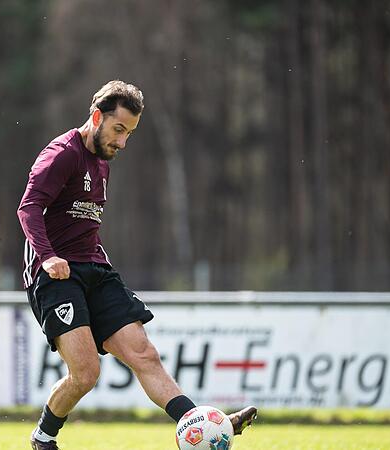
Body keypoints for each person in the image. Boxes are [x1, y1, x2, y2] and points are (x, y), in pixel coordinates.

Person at [17, 80, 257, 450]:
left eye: (129, 133)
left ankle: (206, 426)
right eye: (118, 130)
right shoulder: (62, 154)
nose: (123, 142)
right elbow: (29, 207)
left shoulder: (102, 162)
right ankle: (43, 438)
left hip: (95, 269)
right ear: (96, 118)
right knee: (86, 373)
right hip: (55, 275)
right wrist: (48, 256)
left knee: (145, 354)